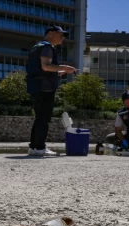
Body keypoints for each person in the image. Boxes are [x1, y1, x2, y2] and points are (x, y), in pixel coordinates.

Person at [25, 25, 77, 156]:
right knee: (44, 118)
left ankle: (34, 147)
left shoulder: (37, 47)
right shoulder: (47, 47)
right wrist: (65, 67)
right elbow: (46, 66)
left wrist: (59, 72)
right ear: (51, 33)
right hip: (45, 88)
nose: (63, 38)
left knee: (39, 118)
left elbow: (41, 68)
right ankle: (39, 148)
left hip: (36, 86)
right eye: (61, 35)